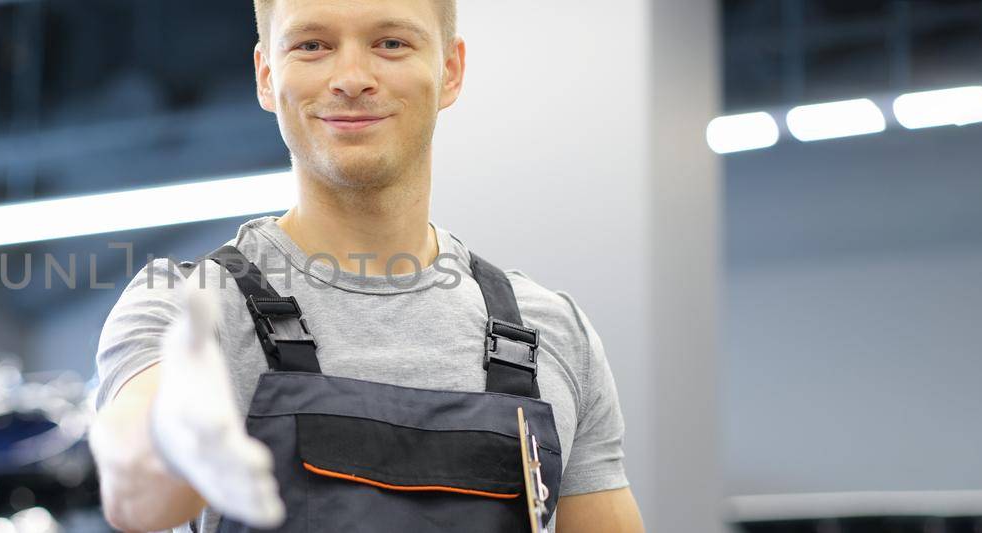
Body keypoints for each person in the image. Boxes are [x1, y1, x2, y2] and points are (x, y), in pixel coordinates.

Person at [88, 0, 645, 531]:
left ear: (451, 69)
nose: (351, 77)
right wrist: (171, 446)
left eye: (391, 42)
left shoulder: (554, 334)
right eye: (312, 45)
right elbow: (131, 484)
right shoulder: (188, 309)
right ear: (266, 75)